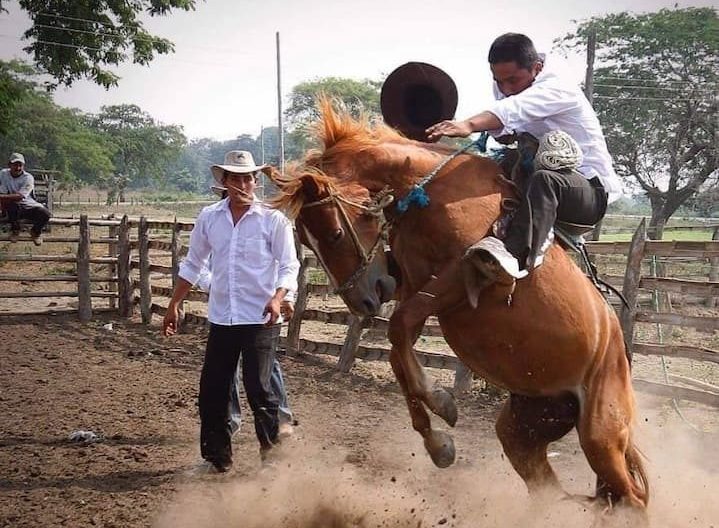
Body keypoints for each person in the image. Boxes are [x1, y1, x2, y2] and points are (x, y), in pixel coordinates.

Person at [426, 33, 621, 283]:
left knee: (547, 180)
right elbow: (510, 126)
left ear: (536, 68)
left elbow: (514, 110)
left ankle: (516, 255)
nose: (506, 89)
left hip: (588, 192)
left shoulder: (557, 87)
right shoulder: (507, 86)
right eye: (499, 81)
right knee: (486, 167)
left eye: (513, 80)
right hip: (536, 174)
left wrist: (468, 124)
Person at [162, 150, 300, 473]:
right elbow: (193, 263)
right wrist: (174, 303)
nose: (241, 184)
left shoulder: (273, 219)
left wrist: (279, 298)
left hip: (261, 318)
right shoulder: (210, 217)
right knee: (213, 389)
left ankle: (273, 459)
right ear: (224, 182)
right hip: (223, 316)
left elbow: (289, 265)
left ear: (255, 182)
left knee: (261, 389)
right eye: (234, 178)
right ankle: (216, 458)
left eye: (247, 178)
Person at [0, 153, 51, 245]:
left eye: (20, 165)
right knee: (12, 205)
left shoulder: (28, 178)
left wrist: (1, 197)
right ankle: (15, 230)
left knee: (45, 214)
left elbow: (20, 196)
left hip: (28, 206)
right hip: (13, 208)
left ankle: (35, 232)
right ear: (9, 165)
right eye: (15, 165)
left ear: (23, 166)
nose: (18, 168)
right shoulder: (3, 174)